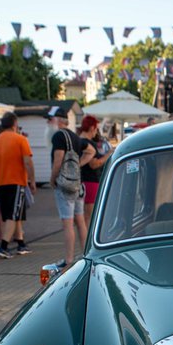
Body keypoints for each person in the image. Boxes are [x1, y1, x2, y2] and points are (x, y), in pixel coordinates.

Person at [48, 106, 94, 265]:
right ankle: (87, 254)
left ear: (58, 121)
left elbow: (58, 159)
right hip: (78, 184)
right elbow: (91, 151)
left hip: (65, 186)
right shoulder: (75, 136)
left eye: (50, 120)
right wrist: (78, 166)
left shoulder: (58, 136)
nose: (48, 123)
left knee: (67, 223)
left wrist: (52, 178)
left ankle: (68, 260)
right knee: (80, 220)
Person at [0, 112, 36, 258]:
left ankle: (21, 243)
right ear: (14, 124)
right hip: (16, 181)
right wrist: (32, 180)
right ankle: (3, 246)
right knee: (13, 215)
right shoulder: (20, 139)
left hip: (2, 182)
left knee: (14, 214)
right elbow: (27, 161)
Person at [79, 115, 113, 225]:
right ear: (92, 128)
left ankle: (85, 238)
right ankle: (88, 239)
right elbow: (94, 164)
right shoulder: (89, 144)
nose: (96, 131)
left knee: (85, 214)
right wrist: (109, 154)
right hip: (90, 181)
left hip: (83, 180)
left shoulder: (79, 141)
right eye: (96, 128)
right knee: (90, 215)